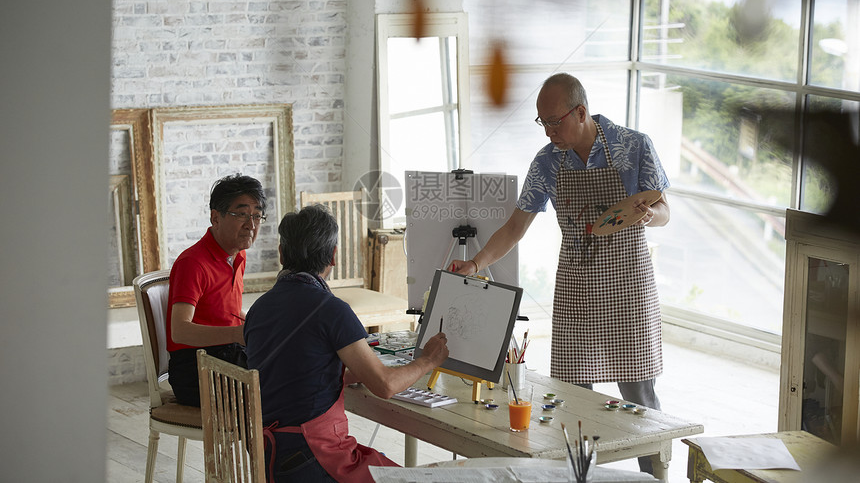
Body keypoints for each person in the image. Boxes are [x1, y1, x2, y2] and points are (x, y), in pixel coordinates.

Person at [450, 73, 670, 473]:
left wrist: (649, 214)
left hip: (629, 287)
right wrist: (476, 264)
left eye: (555, 121)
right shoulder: (548, 161)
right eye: (543, 122)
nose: (549, 131)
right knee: (573, 400)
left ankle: (656, 477)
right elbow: (516, 226)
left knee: (641, 402)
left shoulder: (633, 146)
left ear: (581, 112)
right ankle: (580, 477)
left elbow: (663, 210)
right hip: (577, 286)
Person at [244, 204, 449, 483]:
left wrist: (345, 374)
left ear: (282, 255)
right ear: (333, 256)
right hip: (311, 458)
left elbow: (292, 371)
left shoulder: (258, 309)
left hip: (270, 457)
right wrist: (428, 360)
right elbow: (385, 386)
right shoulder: (331, 310)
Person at [166, 173, 267, 406]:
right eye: (241, 214)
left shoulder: (237, 255)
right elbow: (179, 331)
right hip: (195, 369)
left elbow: (225, 312)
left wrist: (257, 324)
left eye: (257, 216)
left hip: (226, 355)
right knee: (277, 386)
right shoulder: (193, 263)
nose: (251, 225)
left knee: (291, 365)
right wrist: (236, 333)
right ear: (215, 217)